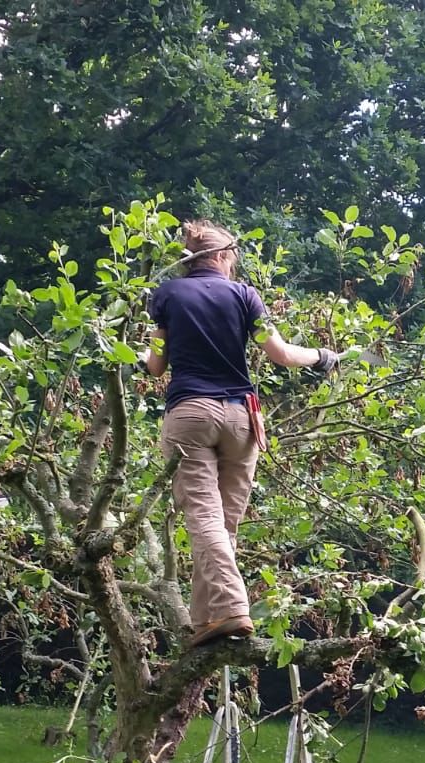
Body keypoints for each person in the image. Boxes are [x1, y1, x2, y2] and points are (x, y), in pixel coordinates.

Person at [139, 220, 336, 648]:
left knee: (204, 521)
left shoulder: (168, 295)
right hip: (241, 419)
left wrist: (138, 353)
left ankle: (230, 609)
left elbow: (155, 366)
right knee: (223, 526)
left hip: (190, 414)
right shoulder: (245, 296)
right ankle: (206, 621)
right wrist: (323, 356)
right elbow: (281, 354)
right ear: (225, 256)